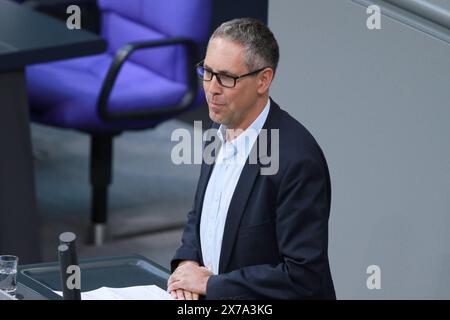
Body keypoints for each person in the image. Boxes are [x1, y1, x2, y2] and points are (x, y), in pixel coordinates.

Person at [167, 18, 335, 300]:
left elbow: (302, 277)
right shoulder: (217, 130)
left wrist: (211, 286)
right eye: (207, 72)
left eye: (227, 77)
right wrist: (187, 263)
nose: (212, 88)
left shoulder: (297, 161)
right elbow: (201, 215)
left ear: (263, 80)